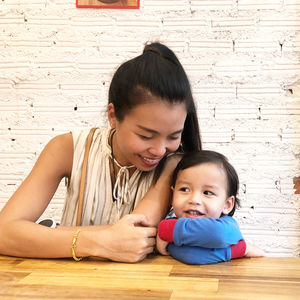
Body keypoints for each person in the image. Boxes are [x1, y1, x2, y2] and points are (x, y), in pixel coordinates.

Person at [0, 42, 201, 263]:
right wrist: (102, 241)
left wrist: (50, 235)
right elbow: (5, 232)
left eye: (173, 136)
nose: (159, 150)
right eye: (145, 136)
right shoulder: (67, 149)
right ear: (113, 115)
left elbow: (135, 233)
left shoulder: (175, 165)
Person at [156, 150, 265, 264]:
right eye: (185, 189)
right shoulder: (175, 221)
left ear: (227, 205)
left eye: (207, 192)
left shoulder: (228, 226)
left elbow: (217, 234)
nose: (194, 200)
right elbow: (190, 256)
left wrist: (166, 230)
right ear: (172, 195)